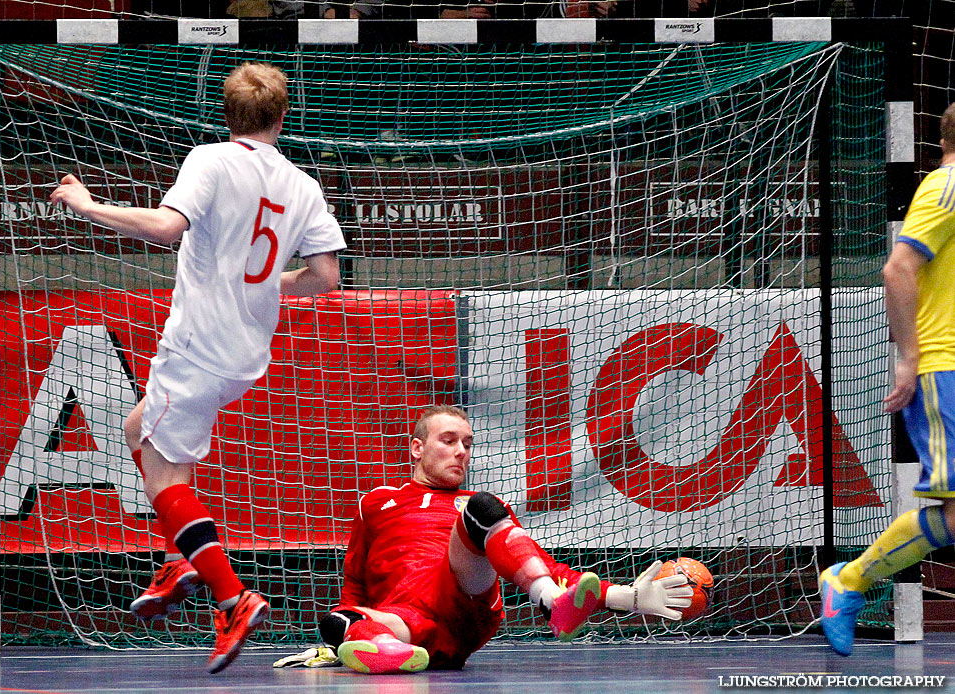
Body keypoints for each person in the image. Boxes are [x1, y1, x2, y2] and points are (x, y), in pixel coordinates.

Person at [50, 62, 347, 673]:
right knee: (139, 430)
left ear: (227, 113)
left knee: (162, 476)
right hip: (245, 353)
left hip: (196, 347)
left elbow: (165, 228)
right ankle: (178, 559)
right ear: (282, 115)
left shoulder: (210, 159)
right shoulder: (303, 184)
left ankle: (231, 595)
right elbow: (325, 279)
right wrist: (262, 287)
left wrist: (85, 203)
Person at [279, 405, 692, 674]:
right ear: (416, 449)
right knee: (338, 621)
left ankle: (552, 605)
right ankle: (388, 652)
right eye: (449, 441)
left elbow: (546, 566)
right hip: (406, 619)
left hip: (462, 598)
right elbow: (354, 583)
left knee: (483, 510)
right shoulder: (376, 502)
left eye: (467, 444)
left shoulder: (475, 506)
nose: (461, 451)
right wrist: (337, 637)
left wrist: (625, 597)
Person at [818, 102, 955, 657]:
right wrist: (908, 357)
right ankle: (848, 581)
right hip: (943, 366)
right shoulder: (947, 186)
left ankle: (849, 580)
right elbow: (897, 268)